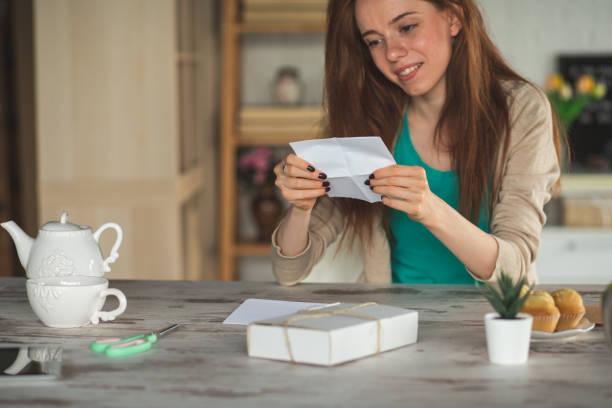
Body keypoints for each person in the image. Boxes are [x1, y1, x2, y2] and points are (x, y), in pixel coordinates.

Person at [271, 0, 562, 286]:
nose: (393, 53)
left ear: (453, 18)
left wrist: (430, 209)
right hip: (393, 320)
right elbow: (288, 271)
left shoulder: (521, 109)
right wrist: (301, 206)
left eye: (407, 27)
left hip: (495, 324)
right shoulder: (369, 118)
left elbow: (516, 270)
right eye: (374, 41)